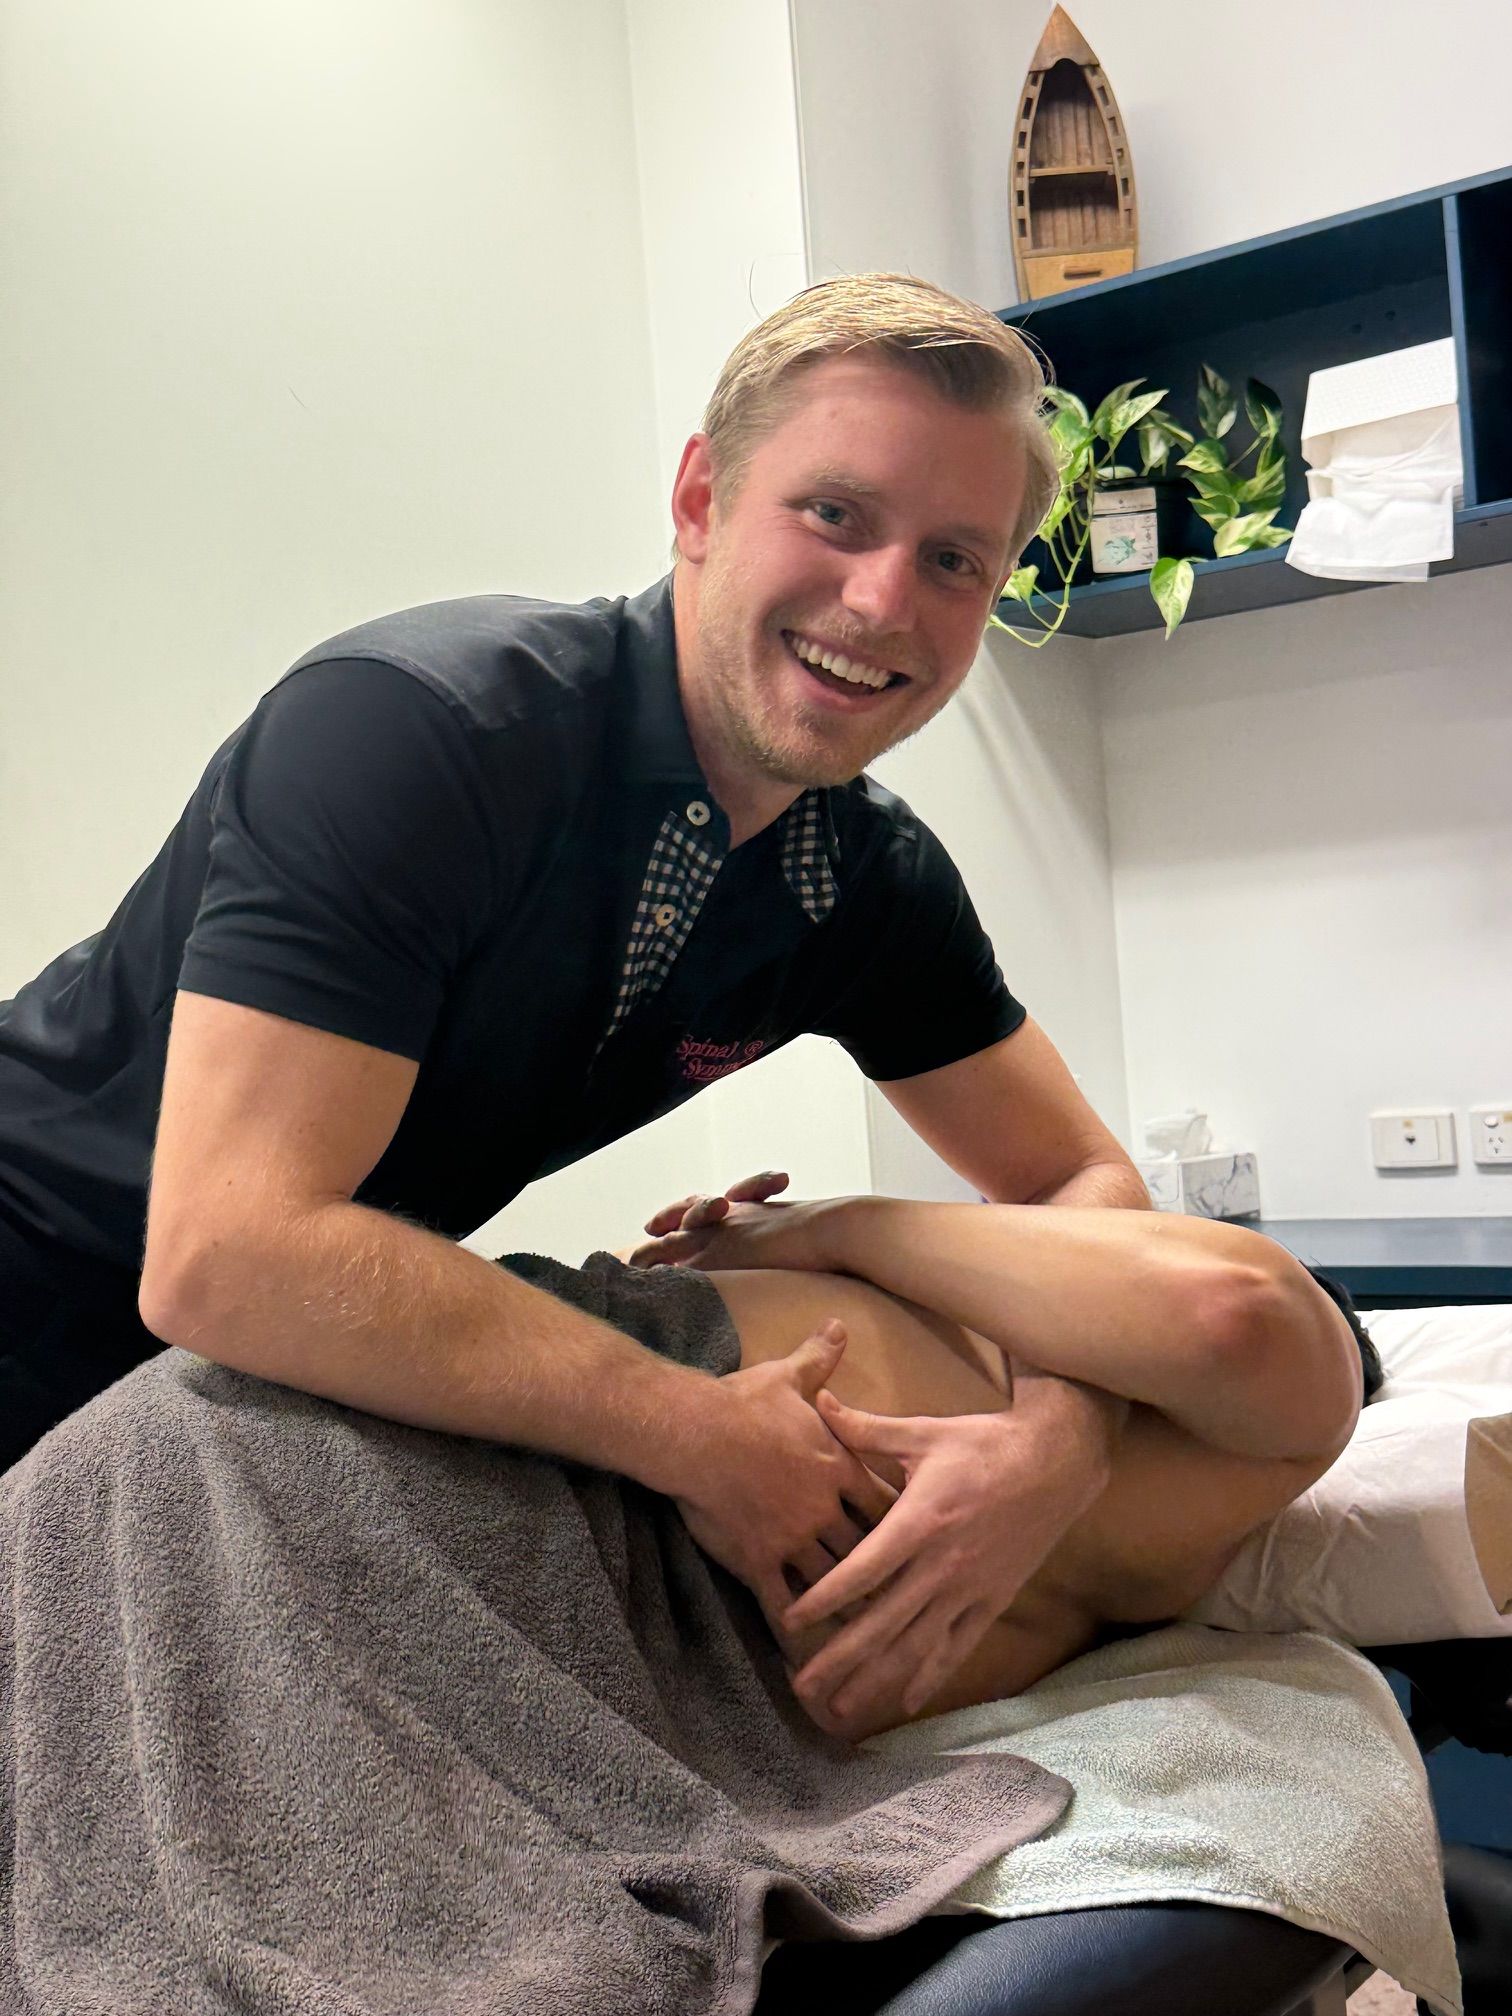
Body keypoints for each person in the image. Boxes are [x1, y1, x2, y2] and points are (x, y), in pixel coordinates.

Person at [0, 273, 1147, 1713]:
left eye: (954, 561)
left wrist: (1060, 1443)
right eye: (837, 515)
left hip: (237, 1425)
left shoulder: (864, 884)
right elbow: (228, 1250)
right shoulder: (423, 730)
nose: (881, 601)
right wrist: (691, 1430)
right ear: (699, 500)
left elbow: (1084, 1180)